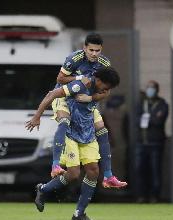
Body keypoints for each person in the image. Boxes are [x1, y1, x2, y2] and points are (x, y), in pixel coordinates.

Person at [26, 67, 120, 220]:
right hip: (71, 127)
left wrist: (91, 98)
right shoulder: (80, 85)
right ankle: (46, 184)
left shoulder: (99, 83)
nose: (106, 91)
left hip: (85, 123)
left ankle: (79, 213)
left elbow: (104, 91)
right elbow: (52, 94)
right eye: (106, 87)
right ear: (99, 81)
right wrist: (37, 116)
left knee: (93, 170)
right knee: (74, 173)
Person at [50, 32, 127, 188]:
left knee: (103, 131)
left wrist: (90, 99)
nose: (94, 54)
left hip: (86, 103)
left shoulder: (105, 63)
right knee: (64, 123)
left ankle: (108, 176)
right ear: (84, 47)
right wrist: (79, 78)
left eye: (97, 50)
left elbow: (107, 90)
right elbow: (60, 79)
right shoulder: (74, 59)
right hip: (66, 99)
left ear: (101, 49)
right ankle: (55, 164)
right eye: (91, 50)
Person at [135, 80, 168, 203]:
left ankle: (155, 196)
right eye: (148, 88)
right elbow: (137, 121)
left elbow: (159, 121)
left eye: (152, 88)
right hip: (141, 143)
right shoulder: (141, 104)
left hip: (155, 143)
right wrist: (154, 117)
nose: (150, 90)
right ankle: (141, 196)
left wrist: (150, 118)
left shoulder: (162, 104)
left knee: (155, 170)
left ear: (157, 90)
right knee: (140, 170)